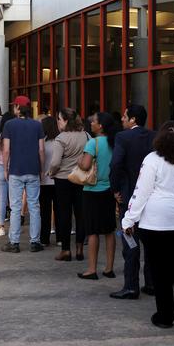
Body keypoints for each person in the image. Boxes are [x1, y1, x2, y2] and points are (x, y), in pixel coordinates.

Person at [121, 121, 174, 328]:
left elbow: (141, 192)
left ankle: (165, 315)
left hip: (155, 222)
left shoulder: (152, 160)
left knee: (159, 269)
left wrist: (129, 218)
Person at [109, 104, 156, 300]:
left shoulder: (123, 137)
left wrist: (115, 190)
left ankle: (131, 285)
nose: (122, 119)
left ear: (133, 119)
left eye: (125, 116)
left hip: (129, 195)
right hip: (153, 197)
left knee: (130, 241)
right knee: (151, 241)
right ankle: (152, 283)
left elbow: (116, 164)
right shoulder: (154, 136)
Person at [76, 112, 119, 280]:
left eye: (93, 121)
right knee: (109, 230)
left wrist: (80, 161)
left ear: (100, 126)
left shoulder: (92, 143)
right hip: (109, 190)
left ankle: (92, 269)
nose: (90, 123)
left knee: (92, 231)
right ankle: (109, 268)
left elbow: (86, 165)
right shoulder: (114, 142)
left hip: (92, 191)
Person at [1, 102, 45, 253]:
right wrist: (41, 168)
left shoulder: (9, 125)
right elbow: (41, 150)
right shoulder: (37, 125)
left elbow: (6, 150)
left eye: (15, 106)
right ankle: (35, 242)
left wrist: (6, 168)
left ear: (18, 108)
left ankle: (14, 242)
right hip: (33, 170)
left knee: (15, 207)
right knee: (34, 206)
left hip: (16, 170)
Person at [49, 108, 89, 262]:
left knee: (64, 214)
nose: (58, 122)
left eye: (59, 119)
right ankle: (79, 248)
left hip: (63, 180)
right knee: (81, 214)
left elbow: (55, 162)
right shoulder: (86, 136)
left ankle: (66, 250)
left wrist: (51, 172)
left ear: (66, 120)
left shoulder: (61, 138)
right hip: (82, 178)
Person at [39, 116, 60, 245]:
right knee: (59, 210)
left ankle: (44, 238)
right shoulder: (60, 141)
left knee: (44, 212)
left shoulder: (43, 143)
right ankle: (60, 238)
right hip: (58, 180)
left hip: (44, 181)